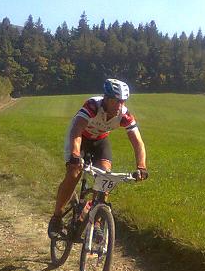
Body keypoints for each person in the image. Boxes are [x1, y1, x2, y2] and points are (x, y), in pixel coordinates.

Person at [48, 78, 148, 238]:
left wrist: (141, 166)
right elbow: (77, 130)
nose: (120, 106)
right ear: (106, 99)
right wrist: (75, 154)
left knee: (105, 176)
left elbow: (138, 142)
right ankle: (57, 217)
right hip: (79, 137)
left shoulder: (124, 115)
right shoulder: (93, 106)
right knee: (74, 173)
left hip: (100, 140)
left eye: (123, 101)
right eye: (116, 101)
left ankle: (97, 222)